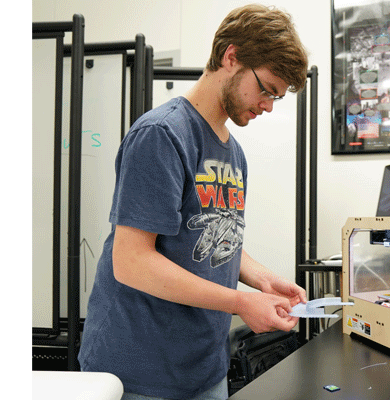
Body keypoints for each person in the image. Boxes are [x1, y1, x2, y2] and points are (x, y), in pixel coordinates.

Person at [78, 5, 309, 400]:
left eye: (277, 97)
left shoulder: (233, 153)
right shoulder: (161, 135)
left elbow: (220, 237)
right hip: (140, 372)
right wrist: (241, 302)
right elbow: (131, 262)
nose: (268, 105)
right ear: (230, 56)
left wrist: (261, 279)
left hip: (204, 368)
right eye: (267, 89)